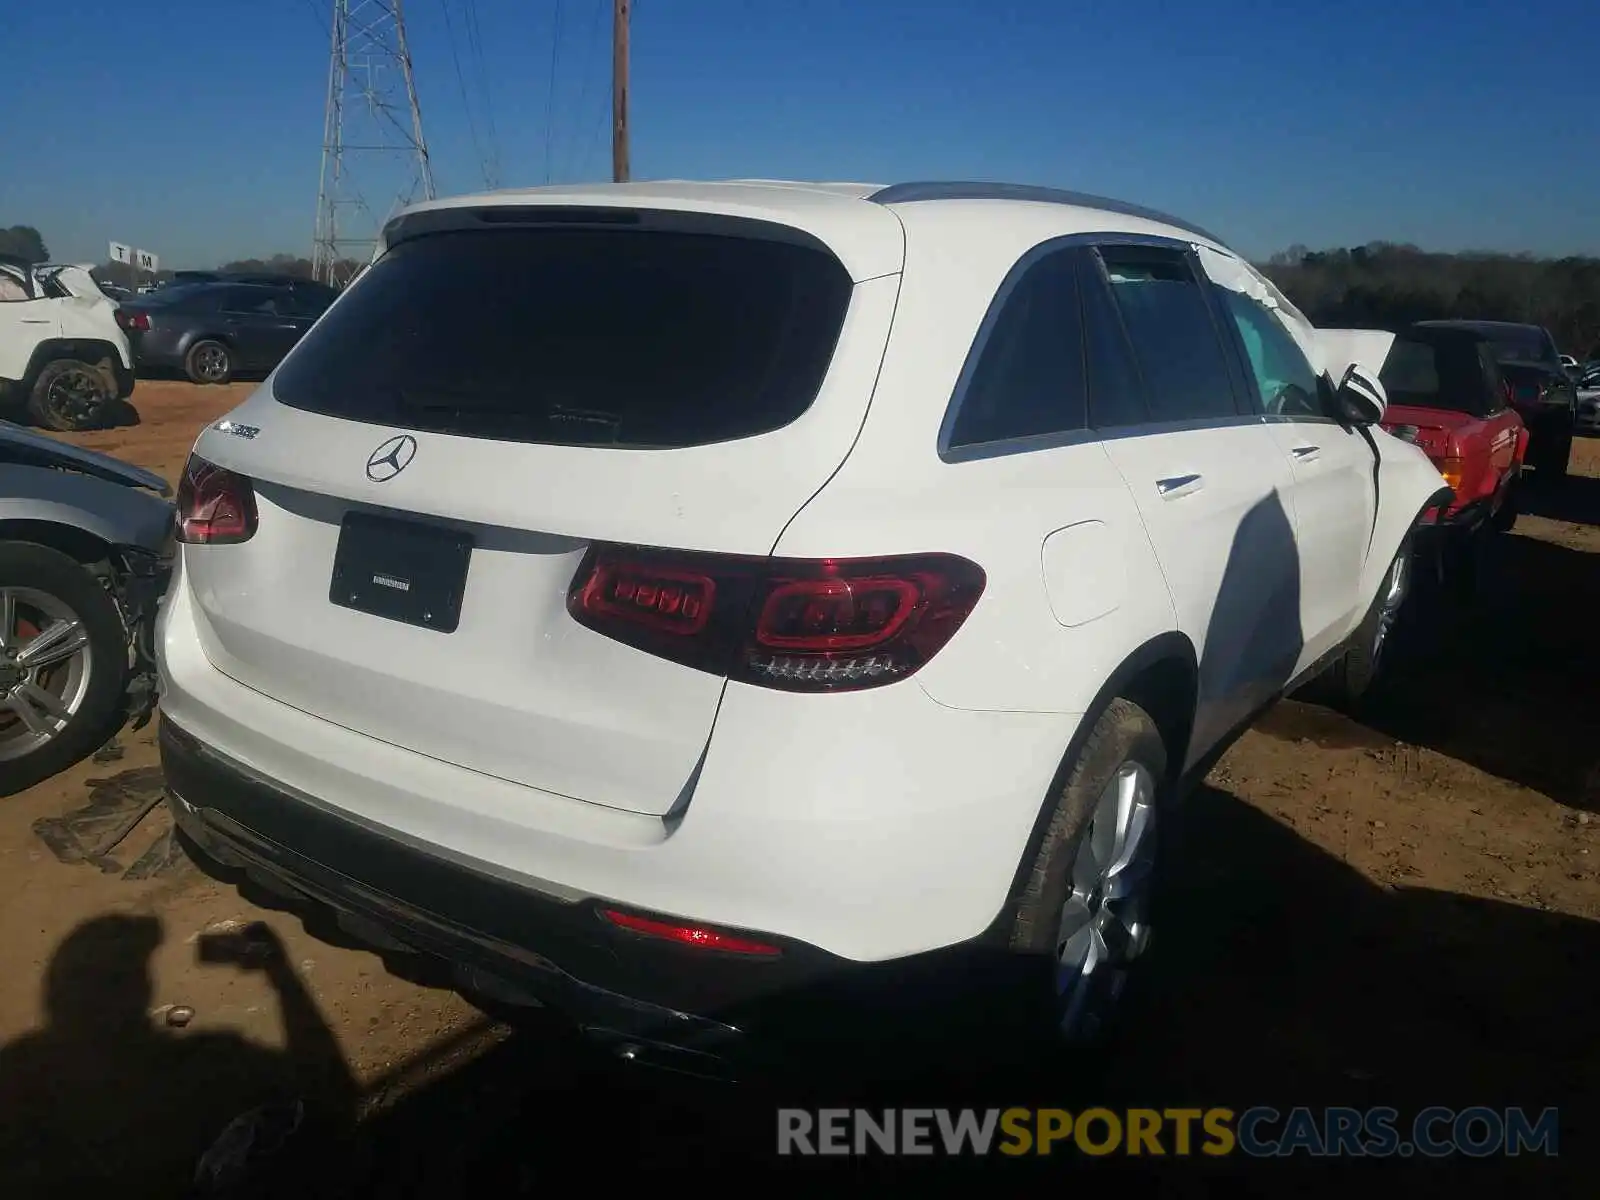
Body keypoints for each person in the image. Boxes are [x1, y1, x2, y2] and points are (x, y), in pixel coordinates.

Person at [0, 914, 358, 1198]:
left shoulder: (19, 1064)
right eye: (124, 975)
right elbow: (333, 1092)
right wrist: (281, 976)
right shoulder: (215, 1052)